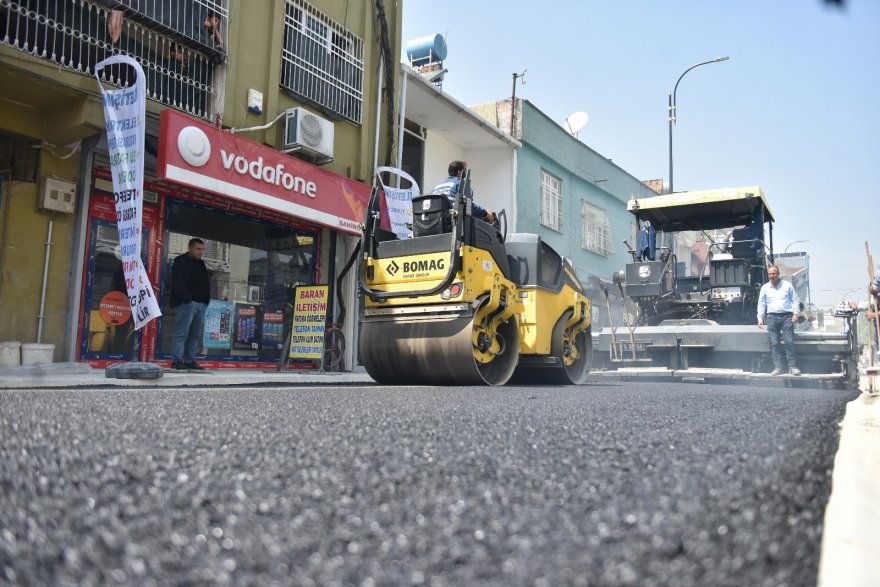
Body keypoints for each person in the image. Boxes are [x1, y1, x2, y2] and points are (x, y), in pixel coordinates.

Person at [170, 238, 211, 370]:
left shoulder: (201, 264)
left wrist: (206, 301)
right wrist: (187, 299)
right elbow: (177, 281)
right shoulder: (180, 261)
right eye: (198, 249)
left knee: (195, 335)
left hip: (201, 304)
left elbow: (205, 282)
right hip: (187, 304)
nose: (201, 252)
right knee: (181, 333)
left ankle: (189, 361)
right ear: (189, 248)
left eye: (202, 249)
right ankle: (177, 361)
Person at [757, 265, 801, 375]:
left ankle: (792, 367)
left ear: (778, 274)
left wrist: (796, 314)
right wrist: (760, 318)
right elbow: (761, 304)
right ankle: (778, 368)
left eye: (773, 273)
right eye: (769, 274)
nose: (771, 276)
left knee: (789, 342)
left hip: (786, 317)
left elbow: (795, 300)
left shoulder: (787, 285)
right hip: (771, 317)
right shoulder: (765, 288)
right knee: (775, 343)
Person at [430, 161, 495, 224]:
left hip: (435, 224)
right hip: (453, 224)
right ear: (459, 172)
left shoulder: (435, 188)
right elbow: (468, 207)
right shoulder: (461, 185)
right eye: (465, 172)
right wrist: (486, 214)